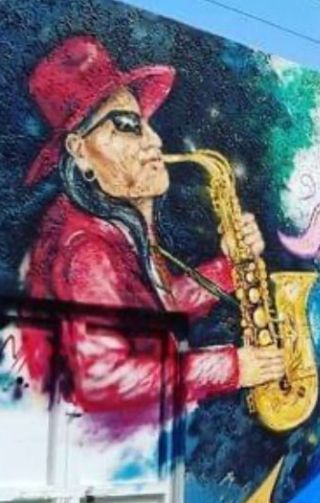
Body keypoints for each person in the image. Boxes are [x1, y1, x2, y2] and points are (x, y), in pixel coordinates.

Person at [21, 35, 283, 418]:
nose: (155, 141)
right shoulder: (85, 251)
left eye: (145, 123)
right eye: (127, 125)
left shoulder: (112, 221)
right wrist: (232, 367)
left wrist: (230, 267)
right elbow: (106, 381)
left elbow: (153, 314)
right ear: (79, 150)